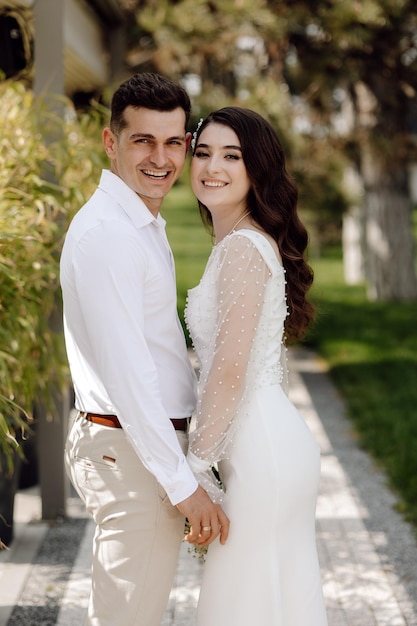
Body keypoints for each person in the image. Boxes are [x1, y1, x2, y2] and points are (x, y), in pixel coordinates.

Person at [60, 73, 229, 626]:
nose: (161, 158)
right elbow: (131, 379)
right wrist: (184, 488)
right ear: (111, 143)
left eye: (174, 142)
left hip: (141, 449)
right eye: (143, 141)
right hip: (132, 453)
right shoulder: (108, 234)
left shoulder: (140, 223)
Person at [185, 107, 328, 625]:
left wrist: (196, 466)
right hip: (267, 441)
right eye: (203, 153)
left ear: (257, 169)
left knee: (246, 600)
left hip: (258, 454)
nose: (212, 167)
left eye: (232, 155)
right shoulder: (242, 242)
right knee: (270, 597)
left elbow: (229, 370)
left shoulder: (243, 248)